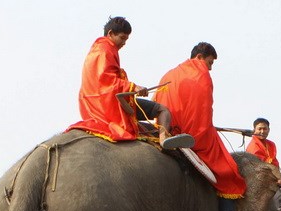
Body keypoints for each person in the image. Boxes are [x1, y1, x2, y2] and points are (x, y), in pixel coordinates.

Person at [155, 42, 250, 211]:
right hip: (191, 134)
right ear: (199, 57)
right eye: (210, 62)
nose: (210, 67)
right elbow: (204, 109)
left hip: (164, 130)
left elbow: (157, 102)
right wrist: (204, 130)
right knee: (228, 169)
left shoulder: (169, 74)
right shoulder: (200, 73)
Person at [66, 17, 189, 149]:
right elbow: (107, 80)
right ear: (110, 34)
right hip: (107, 105)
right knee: (163, 110)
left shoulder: (99, 49)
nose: (124, 43)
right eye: (122, 38)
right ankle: (164, 139)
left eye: (126, 39)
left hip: (95, 104)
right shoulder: (105, 50)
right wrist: (133, 86)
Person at [246, 118, 281, 189]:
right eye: (259, 129)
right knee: (280, 199)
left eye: (265, 129)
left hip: (271, 178)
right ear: (254, 130)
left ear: (269, 130)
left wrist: (279, 179)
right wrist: (278, 179)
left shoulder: (271, 144)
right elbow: (260, 166)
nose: (262, 131)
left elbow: (275, 163)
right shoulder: (253, 146)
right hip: (257, 180)